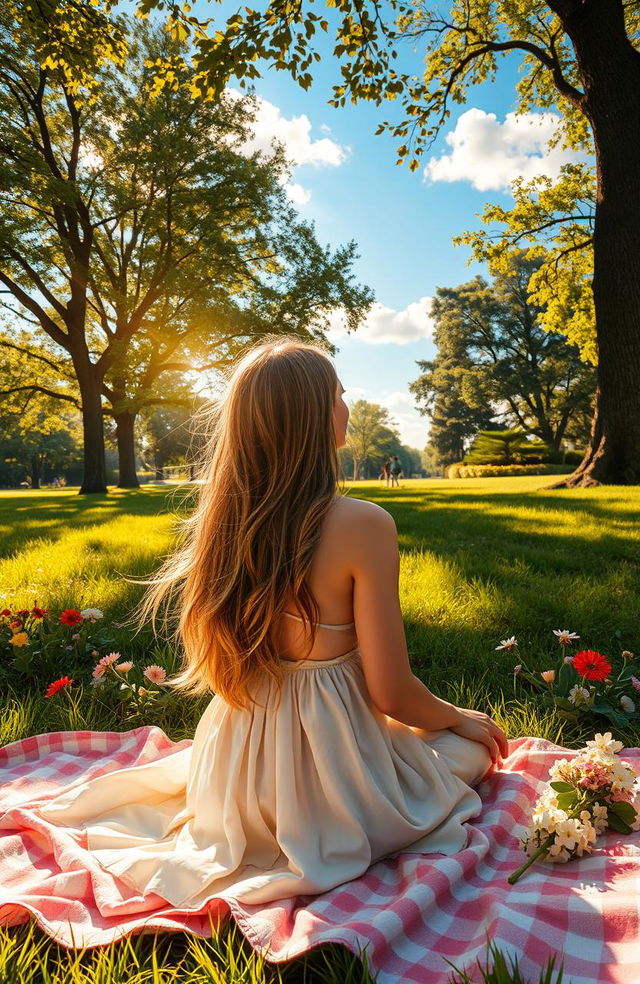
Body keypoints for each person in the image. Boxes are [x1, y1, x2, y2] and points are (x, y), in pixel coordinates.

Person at [31, 336, 508, 911]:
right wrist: (460, 718)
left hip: (235, 769)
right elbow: (391, 691)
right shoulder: (363, 524)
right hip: (332, 763)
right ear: (313, 417)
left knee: (436, 746)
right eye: (339, 394)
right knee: (466, 754)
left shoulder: (224, 522)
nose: (347, 407)